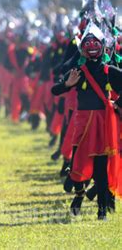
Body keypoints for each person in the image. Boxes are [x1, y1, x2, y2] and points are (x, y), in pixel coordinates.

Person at [51, 21, 122, 220]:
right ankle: (79, 196)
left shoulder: (109, 71)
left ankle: (101, 211)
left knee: (100, 169)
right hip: (82, 122)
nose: (91, 46)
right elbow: (55, 90)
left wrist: (117, 104)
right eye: (88, 43)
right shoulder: (78, 72)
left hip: (103, 124)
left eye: (95, 43)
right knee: (76, 165)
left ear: (102, 46)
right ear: (82, 47)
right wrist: (66, 84)